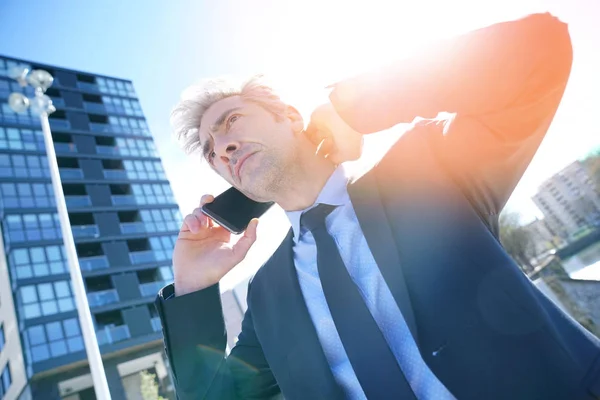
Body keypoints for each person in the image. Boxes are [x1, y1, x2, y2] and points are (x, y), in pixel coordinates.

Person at [155, 12, 600, 400]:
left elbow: (541, 52)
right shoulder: (267, 293)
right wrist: (192, 287)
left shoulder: (423, 170)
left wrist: (359, 105)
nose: (224, 148)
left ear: (290, 116)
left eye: (231, 121)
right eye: (213, 152)